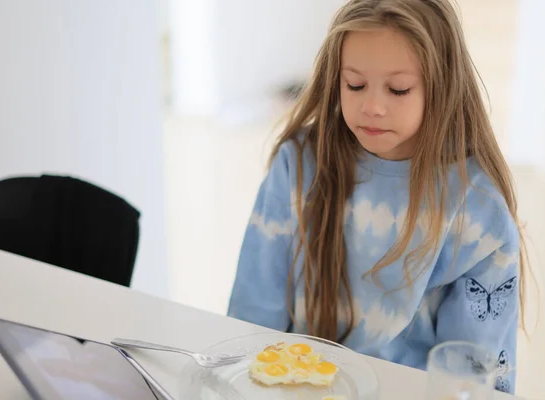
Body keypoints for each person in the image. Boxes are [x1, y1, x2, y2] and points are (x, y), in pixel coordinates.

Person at [227, 0, 529, 394]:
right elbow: (251, 321)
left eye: (398, 88)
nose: (371, 106)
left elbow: (471, 377)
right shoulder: (298, 167)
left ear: (442, 85)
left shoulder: (479, 213)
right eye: (354, 84)